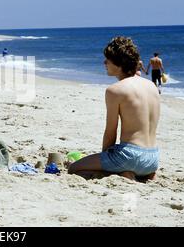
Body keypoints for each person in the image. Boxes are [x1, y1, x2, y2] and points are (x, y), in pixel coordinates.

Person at [68, 37, 160, 181]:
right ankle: (144, 173)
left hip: (130, 156)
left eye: (108, 60)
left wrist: (105, 160)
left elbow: (111, 131)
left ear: (119, 64)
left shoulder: (115, 90)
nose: (104, 63)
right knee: (130, 161)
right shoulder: (152, 86)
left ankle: (121, 173)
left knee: (73, 168)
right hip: (153, 158)